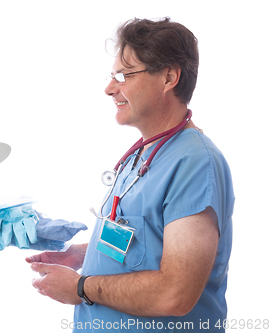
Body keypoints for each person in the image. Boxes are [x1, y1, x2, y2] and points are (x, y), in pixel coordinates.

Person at [27, 18, 234, 332]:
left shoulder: (194, 163)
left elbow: (175, 293)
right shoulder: (144, 154)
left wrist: (81, 287)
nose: (109, 89)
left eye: (123, 76)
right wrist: (83, 254)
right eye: (112, 77)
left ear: (169, 77)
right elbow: (146, 242)